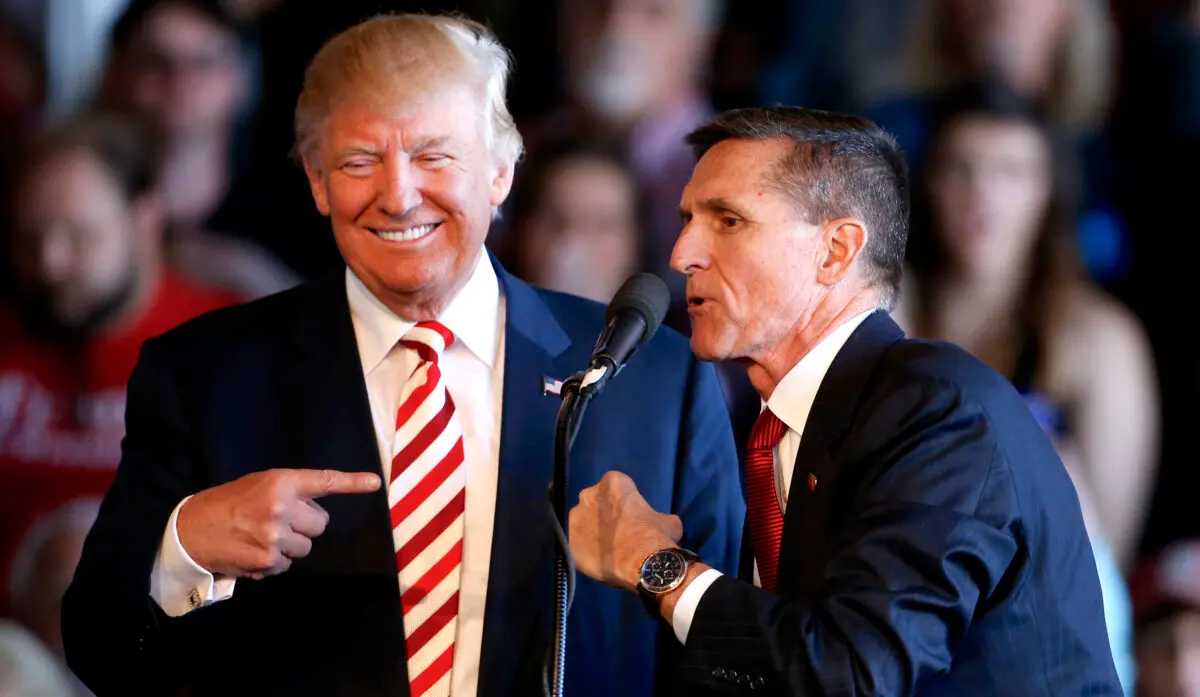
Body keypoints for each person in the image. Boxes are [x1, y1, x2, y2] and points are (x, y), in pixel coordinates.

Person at [62, 13, 743, 697]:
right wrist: (182, 549)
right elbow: (97, 645)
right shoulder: (204, 375)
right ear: (317, 181)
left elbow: (728, 663)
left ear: (501, 171)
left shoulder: (654, 379)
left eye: (434, 156)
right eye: (360, 161)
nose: (398, 195)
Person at [569, 105, 1122, 694]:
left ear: (836, 251)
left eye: (728, 221)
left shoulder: (938, 411)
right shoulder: (774, 424)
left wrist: (657, 566)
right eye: (686, 220)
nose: (682, 255)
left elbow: (856, 672)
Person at [0, 113, 242, 619]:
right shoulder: (12, 337)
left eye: (80, 236)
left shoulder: (226, 346)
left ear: (145, 219)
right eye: (29, 238)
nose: (50, 263)